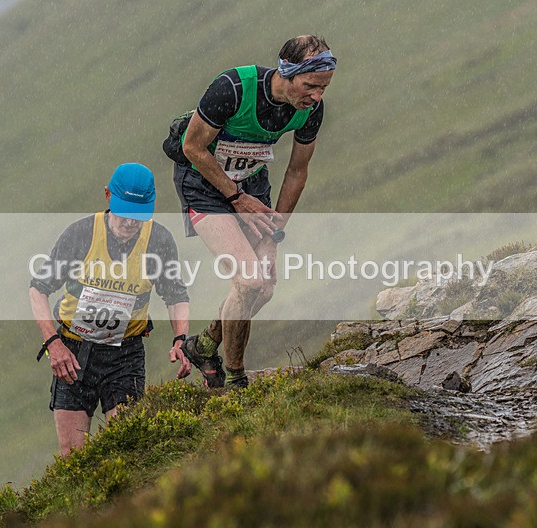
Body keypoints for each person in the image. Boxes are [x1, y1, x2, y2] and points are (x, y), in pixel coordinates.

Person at [171, 35, 336, 389]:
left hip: (251, 185)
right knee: (249, 280)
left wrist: (276, 231)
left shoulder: (310, 111)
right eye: (310, 86)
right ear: (287, 73)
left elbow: (297, 172)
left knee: (263, 288)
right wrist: (234, 198)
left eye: (323, 88)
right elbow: (192, 147)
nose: (317, 96)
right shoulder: (232, 87)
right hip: (204, 186)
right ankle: (236, 380)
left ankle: (203, 345)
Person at [29, 163, 191, 457]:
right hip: (72, 353)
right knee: (73, 456)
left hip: (124, 356)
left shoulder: (158, 241)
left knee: (127, 447)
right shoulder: (80, 234)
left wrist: (180, 339)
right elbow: (38, 289)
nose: (130, 224)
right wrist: (53, 344)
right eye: (124, 214)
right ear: (107, 196)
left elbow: (175, 294)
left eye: (138, 217)